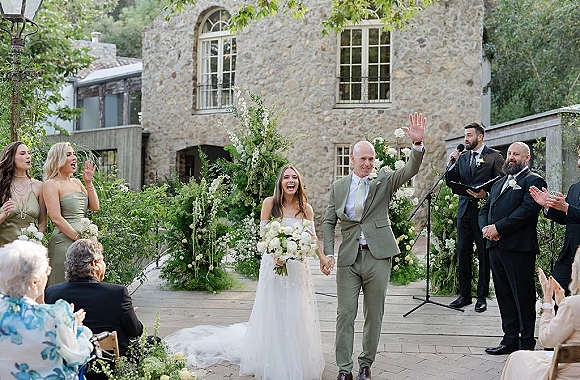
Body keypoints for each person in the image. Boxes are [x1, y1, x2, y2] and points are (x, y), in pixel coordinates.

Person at [164, 164, 326, 380]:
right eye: (286, 177)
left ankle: (296, 358)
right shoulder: (270, 204)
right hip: (274, 264)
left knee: (296, 310)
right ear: (280, 182)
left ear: (299, 182)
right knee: (275, 310)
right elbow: (264, 236)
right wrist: (275, 254)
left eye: (294, 177)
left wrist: (323, 259)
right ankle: (273, 358)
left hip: (297, 268)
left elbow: (312, 239)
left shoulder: (306, 208)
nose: (290, 181)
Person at [322, 112, 426, 380]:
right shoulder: (338, 187)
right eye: (364, 159)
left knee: (374, 315)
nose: (368, 163)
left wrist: (416, 145)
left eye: (371, 159)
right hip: (348, 258)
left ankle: (365, 365)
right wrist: (329, 253)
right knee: (345, 314)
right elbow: (328, 221)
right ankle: (344, 370)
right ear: (352, 160)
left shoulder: (384, 181)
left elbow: (410, 170)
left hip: (378, 256)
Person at [479, 141, 547, 355]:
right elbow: (485, 210)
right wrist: (487, 230)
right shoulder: (499, 182)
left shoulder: (533, 180)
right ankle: (509, 339)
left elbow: (527, 211)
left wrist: (499, 227)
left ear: (527, 158)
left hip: (518, 248)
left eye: (516, 154)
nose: (511, 157)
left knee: (522, 295)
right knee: (504, 294)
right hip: (496, 247)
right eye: (509, 153)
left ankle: (526, 342)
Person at [0, 240, 93, 379]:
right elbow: (77, 356)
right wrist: (75, 327)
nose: (48, 275)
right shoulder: (55, 316)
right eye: (47, 271)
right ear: (34, 282)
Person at [45, 239, 143, 357]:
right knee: (153, 341)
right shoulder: (117, 293)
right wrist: (130, 314)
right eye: (102, 260)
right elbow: (136, 332)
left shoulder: (52, 293)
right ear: (94, 264)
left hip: (70, 362)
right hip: (109, 364)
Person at [445, 123, 504, 312]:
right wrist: (451, 163)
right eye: (465, 135)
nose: (465, 139)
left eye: (469, 135)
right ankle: (464, 295)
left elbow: (502, 184)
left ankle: (481, 297)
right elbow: (450, 181)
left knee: (483, 254)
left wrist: (485, 195)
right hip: (464, 212)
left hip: (483, 212)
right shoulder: (462, 158)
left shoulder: (494, 157)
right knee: (463, 252)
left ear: (480, 136)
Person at [500, 249, 580, 379]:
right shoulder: (571, 305)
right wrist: (562, 304)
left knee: (516, 358)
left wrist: (548, 302)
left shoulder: (573, 305)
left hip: (568, 375)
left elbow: (547, 340)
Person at [43, 142, 99, 285]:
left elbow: (95, 206)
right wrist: (78, 238)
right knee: (62, 285)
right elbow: (55, 218)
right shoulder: (51, 184)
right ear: (58, 159)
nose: (74, 157)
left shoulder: (77, 182)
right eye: (68, 155)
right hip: (64, 242)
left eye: (74, 154)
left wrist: (88, 182)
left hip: (83, 243)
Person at [530, 145, 580, 296]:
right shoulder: (575, 188)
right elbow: (567, 218)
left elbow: (569, 211)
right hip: (568, 254)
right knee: (553, 293)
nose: (578, 162)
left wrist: (566, 207)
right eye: (579, 157)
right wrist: (548, 206)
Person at [0, 141, 47, 246]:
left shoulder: (39, 186)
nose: (28, 156)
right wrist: (4, 215)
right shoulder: (2, 185)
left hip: (29, 252)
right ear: (12, 158)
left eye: (28, 153)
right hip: (3, 252)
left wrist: (36, 240)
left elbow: (42, 222)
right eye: (22, 153)